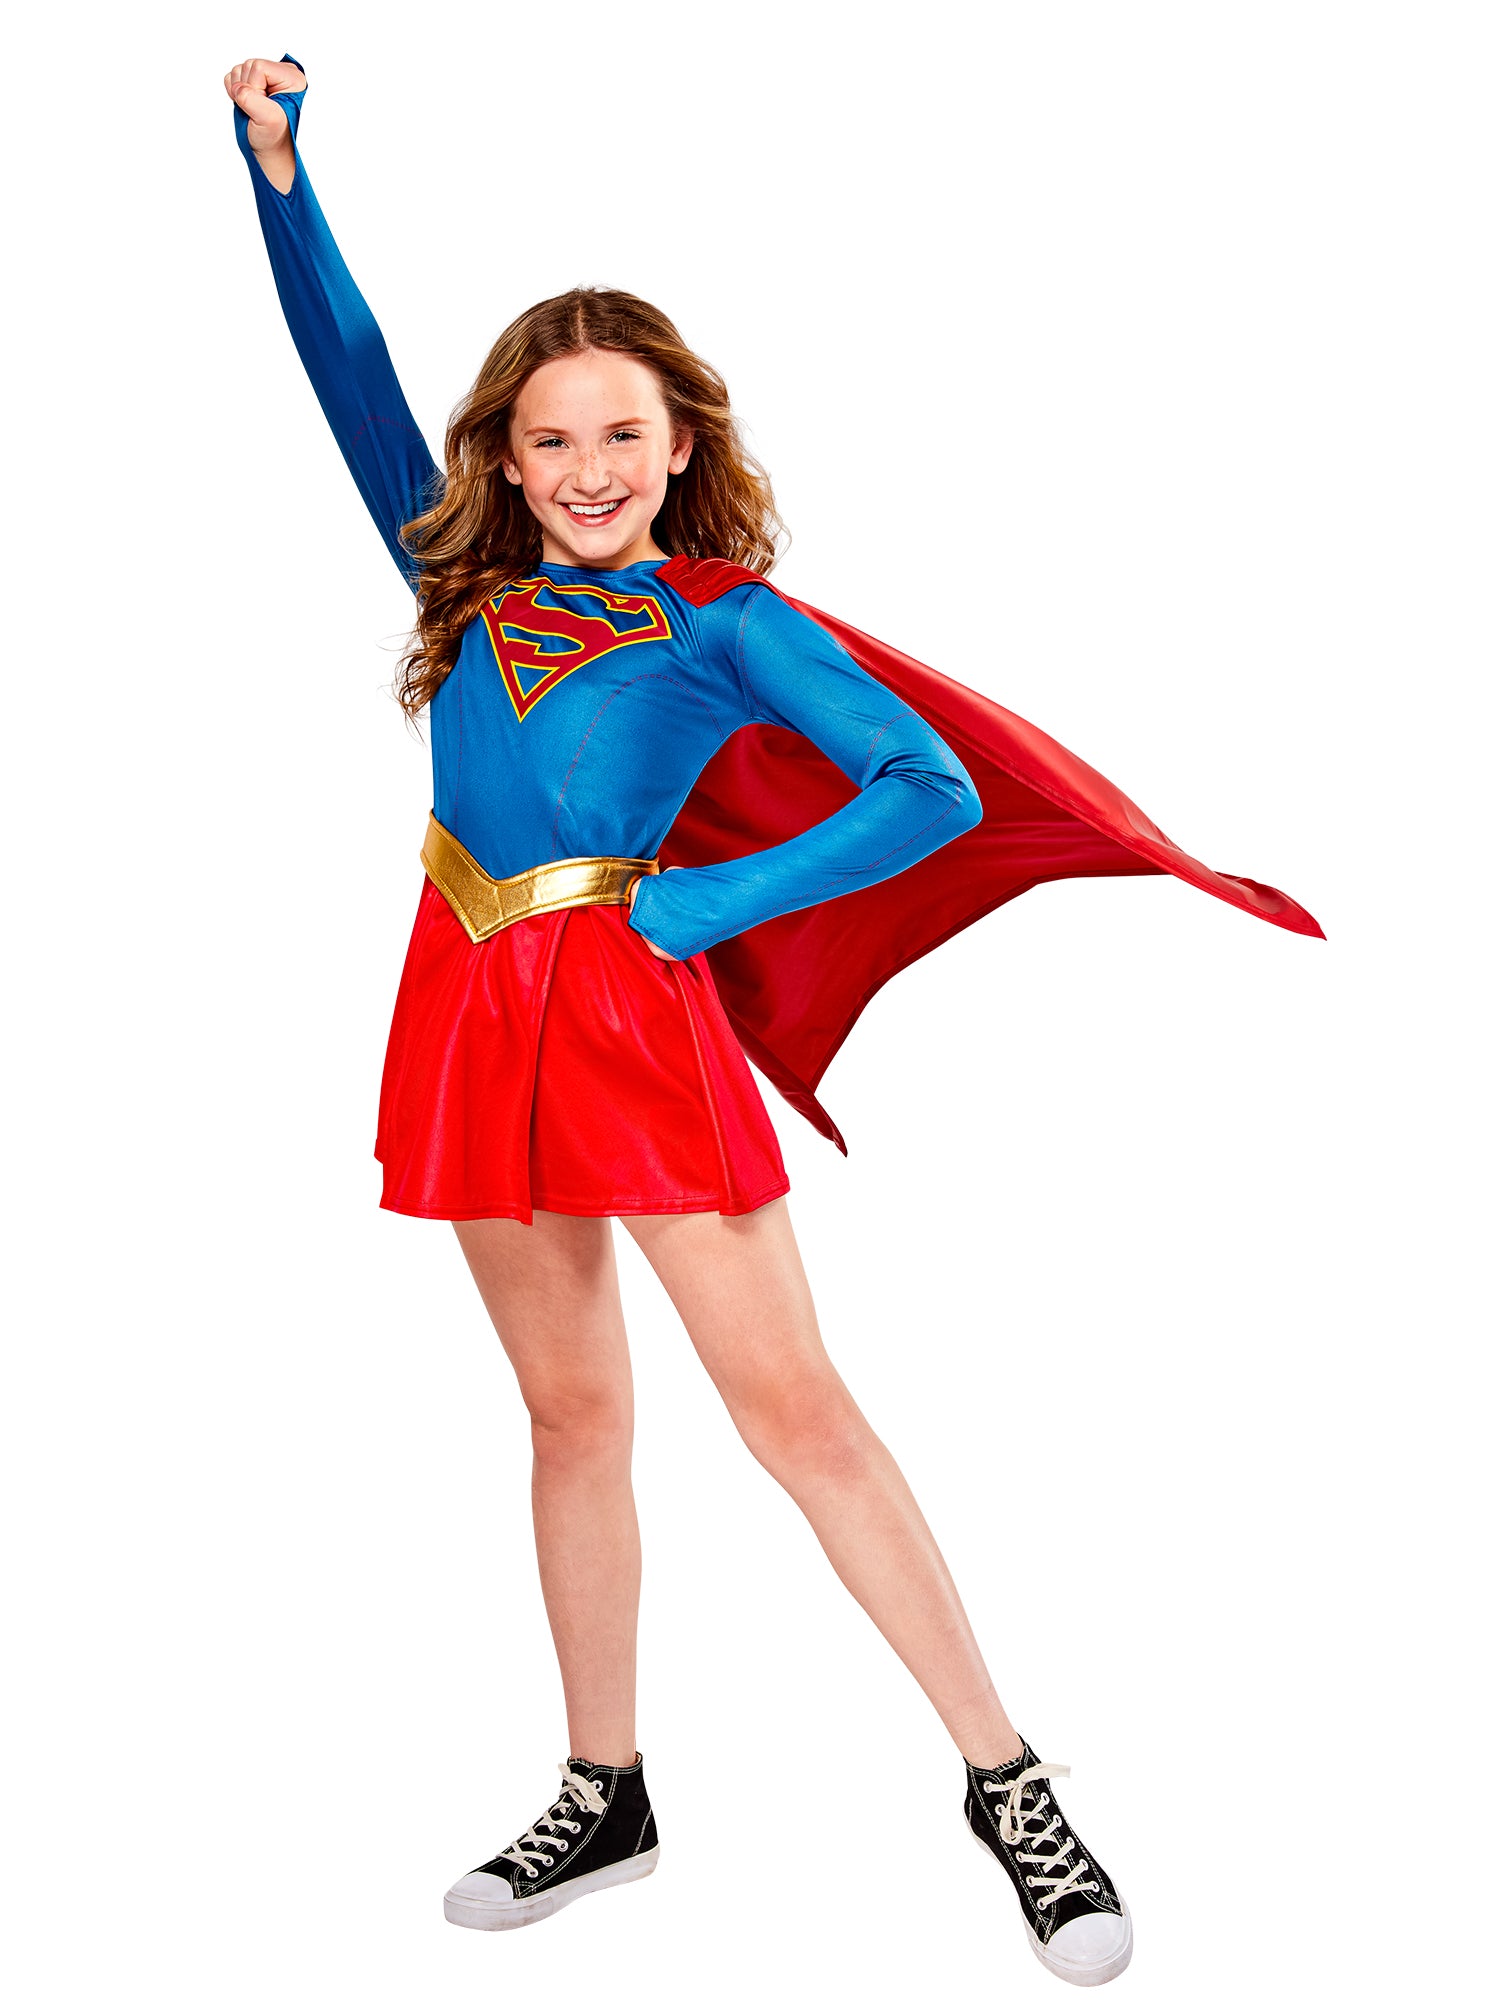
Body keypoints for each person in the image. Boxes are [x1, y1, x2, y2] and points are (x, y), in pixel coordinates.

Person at [222, 46, 1310, 1984]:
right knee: (569, 1414)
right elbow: (347, 370)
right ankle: (605, 1788)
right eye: (550, 439)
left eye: (620, 435)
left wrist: (702, 904)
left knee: (795, 1413)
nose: (586, 469)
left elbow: (925, 788)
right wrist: (280, 180)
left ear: (675, 447)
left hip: (630, 1017)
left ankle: (1009, 1781)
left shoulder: (727, 618)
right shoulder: (458, 576)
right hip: (467, 1002)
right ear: (505, 459)